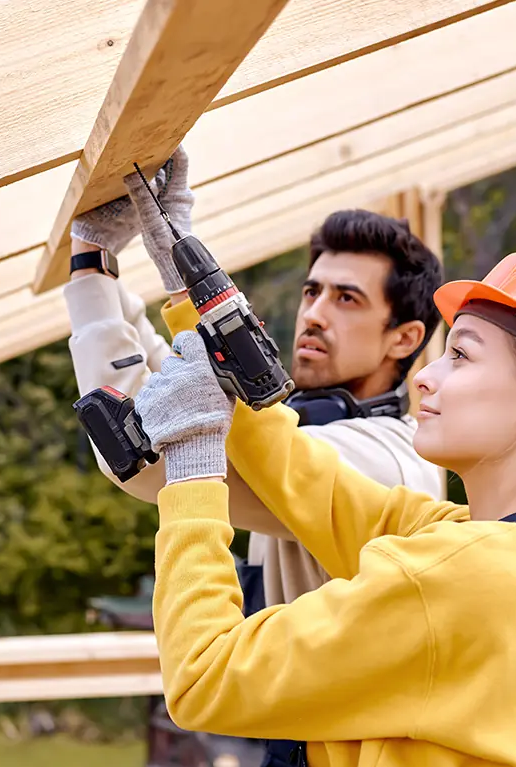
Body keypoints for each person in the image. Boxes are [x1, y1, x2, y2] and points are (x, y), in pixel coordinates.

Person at [133, 248, 516, 767]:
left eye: (460, 354)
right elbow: (309, 483)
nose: (424, 376)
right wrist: (196, 309)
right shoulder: (508, 552)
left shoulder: (474, 575)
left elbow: (204, 677)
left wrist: (194, 459)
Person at [63, 146, 445, 612]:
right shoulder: (307, 433)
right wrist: (97, 263)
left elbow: (151, 454)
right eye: (312, 291)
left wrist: (115, 268)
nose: (315, 314)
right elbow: (178, 386)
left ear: (405, 339)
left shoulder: (389, 466)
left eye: (347, 299)